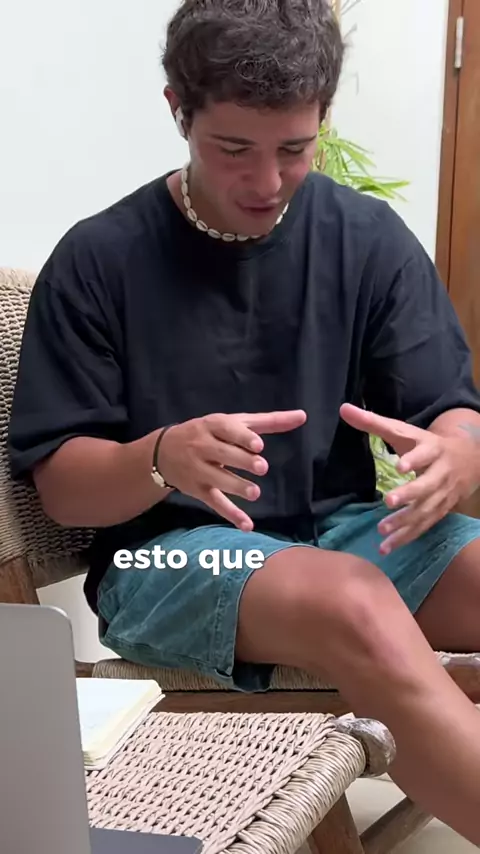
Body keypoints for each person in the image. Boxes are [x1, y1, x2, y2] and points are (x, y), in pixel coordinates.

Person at [7, 0, 480, 843]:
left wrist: (455, 453)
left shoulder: (364, 238)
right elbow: (66, 493)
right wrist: (160, 457)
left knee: (382, 580)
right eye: (233, 149)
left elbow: (453, 411)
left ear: (321, 118)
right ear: (177, 110)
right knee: (353, 601)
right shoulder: (99, 259)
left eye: (293, 150)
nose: (266, 183)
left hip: (340, 532)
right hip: (165, 559)